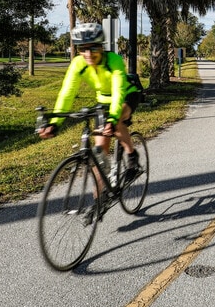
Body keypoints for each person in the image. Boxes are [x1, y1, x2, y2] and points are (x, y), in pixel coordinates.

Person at [38, 22, 143, 188]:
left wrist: (113, 118)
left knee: (117, 122)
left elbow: (118, 92)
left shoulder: (114, 60)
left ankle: (132, 157)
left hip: (127, 95)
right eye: (82, 49)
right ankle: (99, 203)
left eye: (93, 48)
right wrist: (55, 122)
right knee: (99, 153)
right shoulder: (78, 64)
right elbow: (67, 93)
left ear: (101, 47)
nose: (88, 54)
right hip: (103, 100)